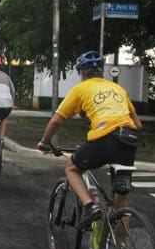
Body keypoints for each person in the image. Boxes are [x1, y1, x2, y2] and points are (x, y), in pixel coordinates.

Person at [36, 50, 143, 230]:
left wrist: (44, 143)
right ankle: (120, 245)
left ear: (81, 73)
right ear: (101, 71)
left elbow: (56, 120)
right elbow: (138, 124)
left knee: (71, 167)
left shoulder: (81, 89)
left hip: (106, 138)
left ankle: (90, 206)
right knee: (121, 201)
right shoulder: (118, 89)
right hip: (129, 140)